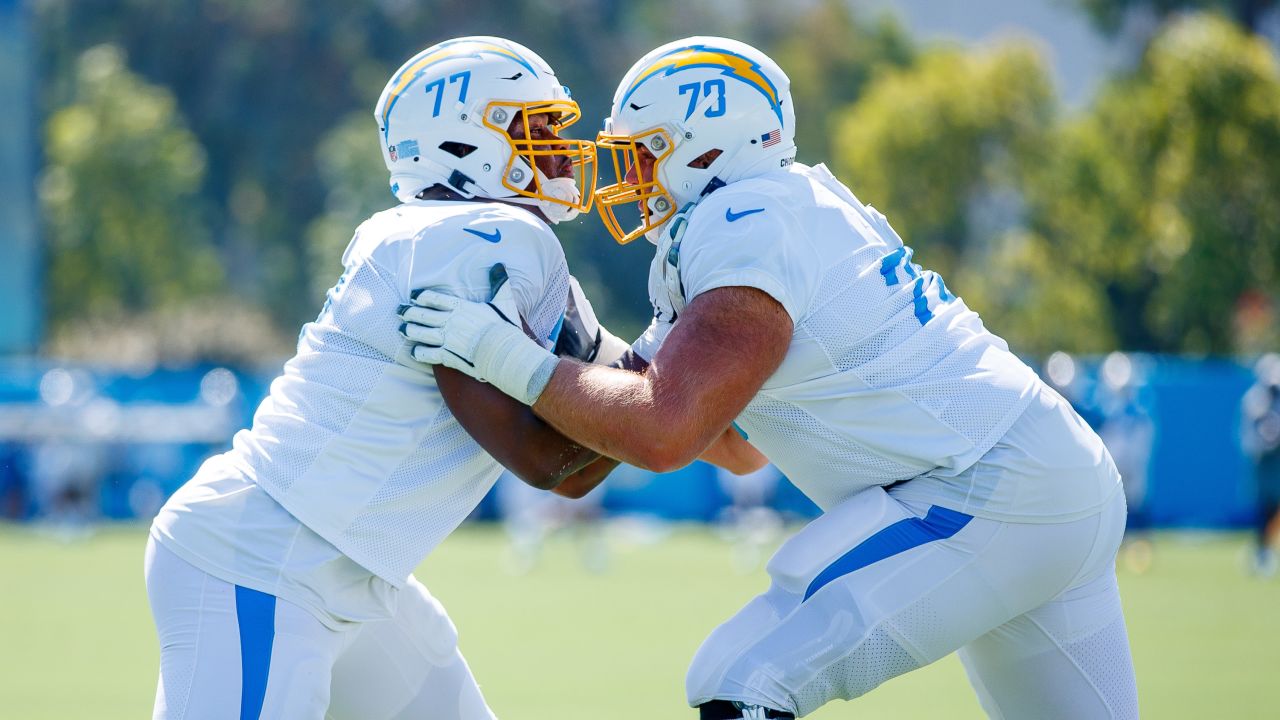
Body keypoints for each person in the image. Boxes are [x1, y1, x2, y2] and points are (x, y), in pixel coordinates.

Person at [401, 36, 1139, 719]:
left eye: (642, 152)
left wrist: (505, 357)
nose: (624, 175)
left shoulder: (742, 219)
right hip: (1049, 478)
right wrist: (595, 356)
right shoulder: (777, 209)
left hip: (985, 489)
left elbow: (665, 432)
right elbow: (736, 443)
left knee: (740, 677)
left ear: (697, 147)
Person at [143, 36, 724, 719]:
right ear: (457, 141)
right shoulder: (483, 238)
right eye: (534, 127)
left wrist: (684, 361)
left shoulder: (484, 240)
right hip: (263, 559)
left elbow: (592, 456)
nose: (563, 149)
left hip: (353, 573)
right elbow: (546, 462)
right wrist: (665, 342)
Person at [1242, 352, 1280, 576]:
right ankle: (1261, 552)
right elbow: (1249, 438)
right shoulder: (1254, 399)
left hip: (1277, 466)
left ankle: (1266, 551)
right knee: (1262, 509)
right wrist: (1264, 442)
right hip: (1263, 466)